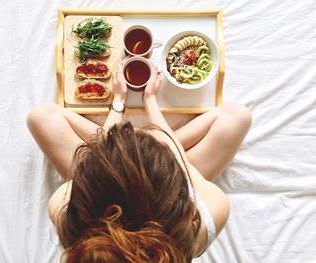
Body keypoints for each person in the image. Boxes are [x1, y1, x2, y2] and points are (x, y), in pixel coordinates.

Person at [26, 59, 252, 263]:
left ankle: (140, 140)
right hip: (163, 171)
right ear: (178, 188)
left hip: (131, 167)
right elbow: (180, 161)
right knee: (237, 117)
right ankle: (145, 139)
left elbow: (95, 158)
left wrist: (118, 103)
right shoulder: (204, 220)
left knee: (41, 117)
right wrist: (151, 102)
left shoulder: (66, 216)